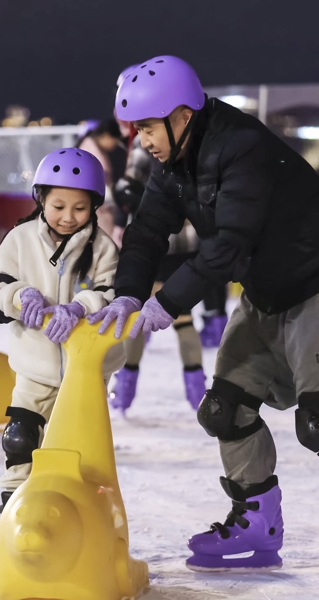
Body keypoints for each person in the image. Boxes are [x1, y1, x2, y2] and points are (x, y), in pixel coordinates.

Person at [90, 56, 319, 588]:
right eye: (136, 129)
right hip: (266, 292)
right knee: (225, 408)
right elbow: (146, 232)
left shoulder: (242, 148)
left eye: (147, 127)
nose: (142, 140)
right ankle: (257, 525)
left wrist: (169, 303)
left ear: (182, 116)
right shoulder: (175, 160)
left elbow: (228, 245)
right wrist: (127, 294)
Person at [0, 148, 124, 512]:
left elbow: (113, 294)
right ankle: (13, 509)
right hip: (35, 367)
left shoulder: (103, 248)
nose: (68, 217)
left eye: (79, 208)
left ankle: (78, 512)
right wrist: (19, 295)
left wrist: (81, 306)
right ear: (41, 199)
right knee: (19, 438)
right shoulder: (19, 240)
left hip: (87, 372)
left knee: (78, 447)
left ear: (94, 206)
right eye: (58, 206)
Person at [110, 108, 206, 413]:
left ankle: (125, 387)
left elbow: (129, 187)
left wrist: (121, 201)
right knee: (184, 317)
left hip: (158, 241)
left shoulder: (146, 145)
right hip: (189, 244)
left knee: (139, 319)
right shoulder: (197, 144)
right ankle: (197, 390)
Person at [77, 118, 125, 241]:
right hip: (98, 210)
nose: (115, 145)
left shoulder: (91, 148)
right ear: (106, 136)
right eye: (115, 141)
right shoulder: (91, 153)